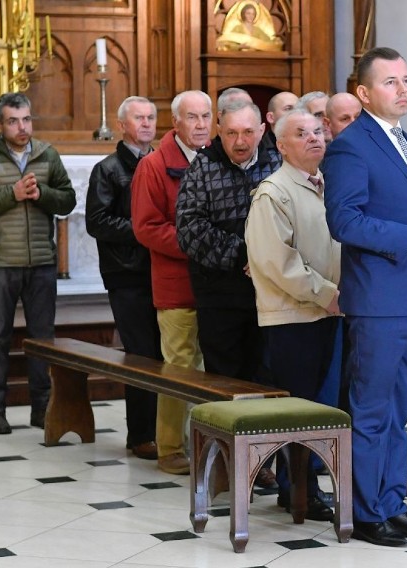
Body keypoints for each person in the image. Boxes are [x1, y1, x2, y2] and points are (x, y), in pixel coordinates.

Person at [323, 46, 407, 547]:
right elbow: (345, 221)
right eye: (390, 82)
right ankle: (363, 512)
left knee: (400, 410)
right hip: (378, 301)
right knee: (373, 409)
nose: (403, 90)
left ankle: (392, 503)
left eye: (406, 80)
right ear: (363, 92)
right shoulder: (351, 145)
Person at [176, 100, 282, 488]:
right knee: (224, 382)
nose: (241, 141)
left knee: (263, 379)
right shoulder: (201, 169)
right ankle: (223, 462)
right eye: (232, 132)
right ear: (219, 130)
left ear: (262, 130)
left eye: (249, 132)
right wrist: (244, 253)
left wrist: (267, 257)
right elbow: (189, 229)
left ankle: (261, 461)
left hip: (269, 294)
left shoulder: (275, 164)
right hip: (219, 294)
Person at [0, 92, 76, 435]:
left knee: (42, 339)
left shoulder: (47, 154)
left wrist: (43, 195)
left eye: (26, 119)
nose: (22, 127)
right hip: (0, 263)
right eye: (13, 121)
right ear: (0, 124)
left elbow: (67, 199)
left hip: (41, 262)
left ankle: (42, 410)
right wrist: (12, 194)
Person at [245, 109, 340, 522]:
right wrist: (328, 295)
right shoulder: (274, 192)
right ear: (281, 146)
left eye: (319, 131)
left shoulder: (326, 185)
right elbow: (276, 263)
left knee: (321, 405)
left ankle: (304, 485)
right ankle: (297, 489)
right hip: (294, 317)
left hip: (327, 313)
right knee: (299, 408)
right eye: (302, 133)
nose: (314, 138)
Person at [130, 90, 210, 475]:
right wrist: (196, 245)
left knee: (212, 366)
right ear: (175, 123)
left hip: (215, 282)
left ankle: (211, 442)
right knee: (178, 365)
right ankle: (170, 447)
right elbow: (146, 228)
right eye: (191, 117)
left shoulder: (216, 158)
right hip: (177, 280)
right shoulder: (154, 165)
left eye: (205, 117)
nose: (200, 125)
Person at [86, 96, 160, 460]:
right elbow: (97, 222)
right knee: (141, 355)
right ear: (122, 125)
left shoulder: (161, 162)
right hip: (127, 273)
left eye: (150, 117)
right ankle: (141, 434)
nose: (146, 123)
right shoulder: (109, 168)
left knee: (165, 354)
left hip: (161, 270)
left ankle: (166, 432)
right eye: (138, 118)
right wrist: (144, 231)